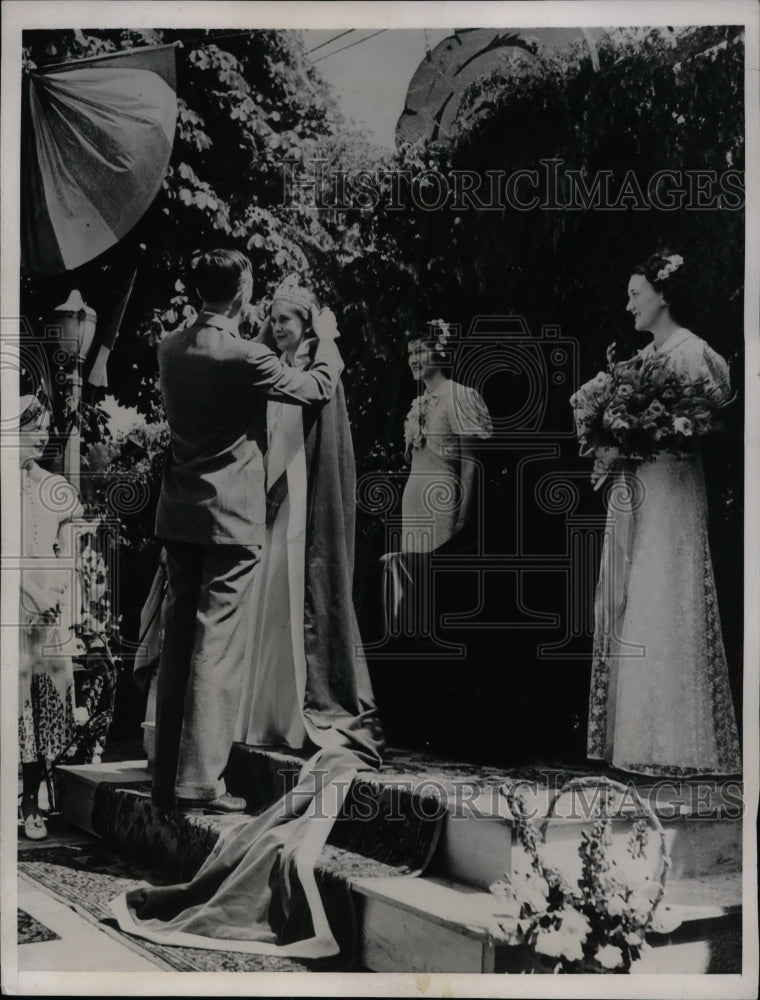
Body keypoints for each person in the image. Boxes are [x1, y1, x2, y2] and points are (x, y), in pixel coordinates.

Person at [152, 249, 345, 812]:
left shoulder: (169, 346)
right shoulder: (246, 356)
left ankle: (168, 776)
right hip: (231, 519)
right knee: (218, 647)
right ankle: (201, 783)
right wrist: (327, 341)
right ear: (241, 294)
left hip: (179, 514)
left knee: (179, 643)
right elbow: (314, 388)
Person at [585, 249, 742, 776]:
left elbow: (716, 426)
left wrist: (665, 431)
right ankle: (638, 739)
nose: (628, 305)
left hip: (673, 490)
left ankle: (679, 744)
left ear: (663, 295)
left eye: (636, 294)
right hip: (642, 488)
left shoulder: (693, 352)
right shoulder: (641, 359)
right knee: (636, 600)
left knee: (666, 594)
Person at [234, 275, 384, 759]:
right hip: (270, 503)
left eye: (286, 319)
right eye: (272, 318)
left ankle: (299, 720)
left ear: (306, 324)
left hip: (302, 505)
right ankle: (262, 717)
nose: (276, 327)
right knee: (266, 600)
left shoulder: (321, 374)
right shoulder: (270, 368)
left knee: (295, 598)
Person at [379, 320, 492, 754]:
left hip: (444, 503)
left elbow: (469, 463)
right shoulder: (417, 403)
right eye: (409, 352)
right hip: (414, 502)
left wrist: (464, 518)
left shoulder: (461, 397)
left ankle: (443, 718)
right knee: (414, 608)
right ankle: (414, 715)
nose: (413, 359)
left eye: (420, 351)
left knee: (437, 601)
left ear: (441, 353)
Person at [18, 395, 84, 839]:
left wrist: (57, 593)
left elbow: (68, 548)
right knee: (17, 706)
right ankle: (19, 800)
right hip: (14, 610)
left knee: (45, 707)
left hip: (47, 617)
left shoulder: (54, 486)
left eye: (45, 427)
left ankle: (34, 800)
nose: (44, 435)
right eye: (35, 426)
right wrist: (32, 592)